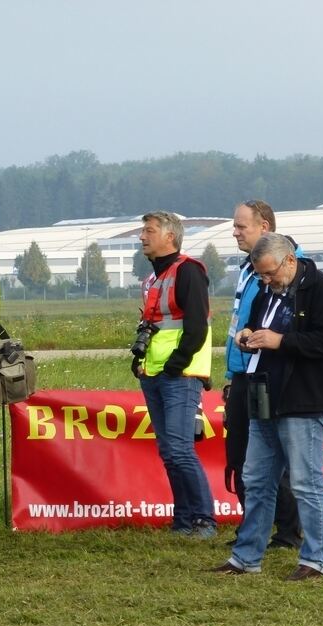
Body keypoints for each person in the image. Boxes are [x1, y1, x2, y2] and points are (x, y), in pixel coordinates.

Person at [210, 233, 323, 579]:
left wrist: (280, 341)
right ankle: (246, 557)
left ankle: (314, 560)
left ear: (289, 260)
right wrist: (247, 337)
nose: (266, 280)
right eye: (260, 275)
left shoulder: (321, 290)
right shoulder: (266, 291)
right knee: (256, 479)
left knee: (305, 482)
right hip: (264, 395)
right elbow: (253, 327)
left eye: (270, 273)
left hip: (305, 399)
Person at [132, 211, 217, 538]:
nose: (142, 236)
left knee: (180, 450)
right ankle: (183, 521)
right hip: (154, 373)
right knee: (170, 451)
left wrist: (176, 365)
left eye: (149, 231)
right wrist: (140, 360)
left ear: (170, 237)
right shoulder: (153, 278)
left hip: (179, 375)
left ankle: (204, 519)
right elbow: (155, 326)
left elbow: (196, 327)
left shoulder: (188, 271)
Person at [224, 201, 302, 549]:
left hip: (269, 374)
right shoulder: (247, 268)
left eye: (242, 226)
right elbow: (241, 324)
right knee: (240, 455)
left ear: (265, 228)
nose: (235, 232)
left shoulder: (289, 270)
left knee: (272, 457)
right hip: (243, 371)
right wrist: (230, 374)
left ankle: (286, 531)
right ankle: (252, 527)